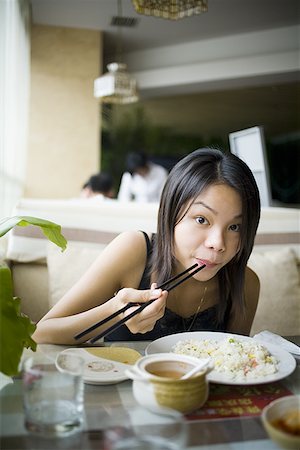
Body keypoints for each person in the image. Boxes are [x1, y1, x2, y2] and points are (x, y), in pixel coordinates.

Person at [33, 148, 261, 345]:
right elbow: (41, 334)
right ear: (171, 213)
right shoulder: (134, 249)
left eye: (235, 227)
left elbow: (235, 365)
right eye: (202, 220)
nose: (218, 244)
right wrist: (115, 312)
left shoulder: (245, 284)